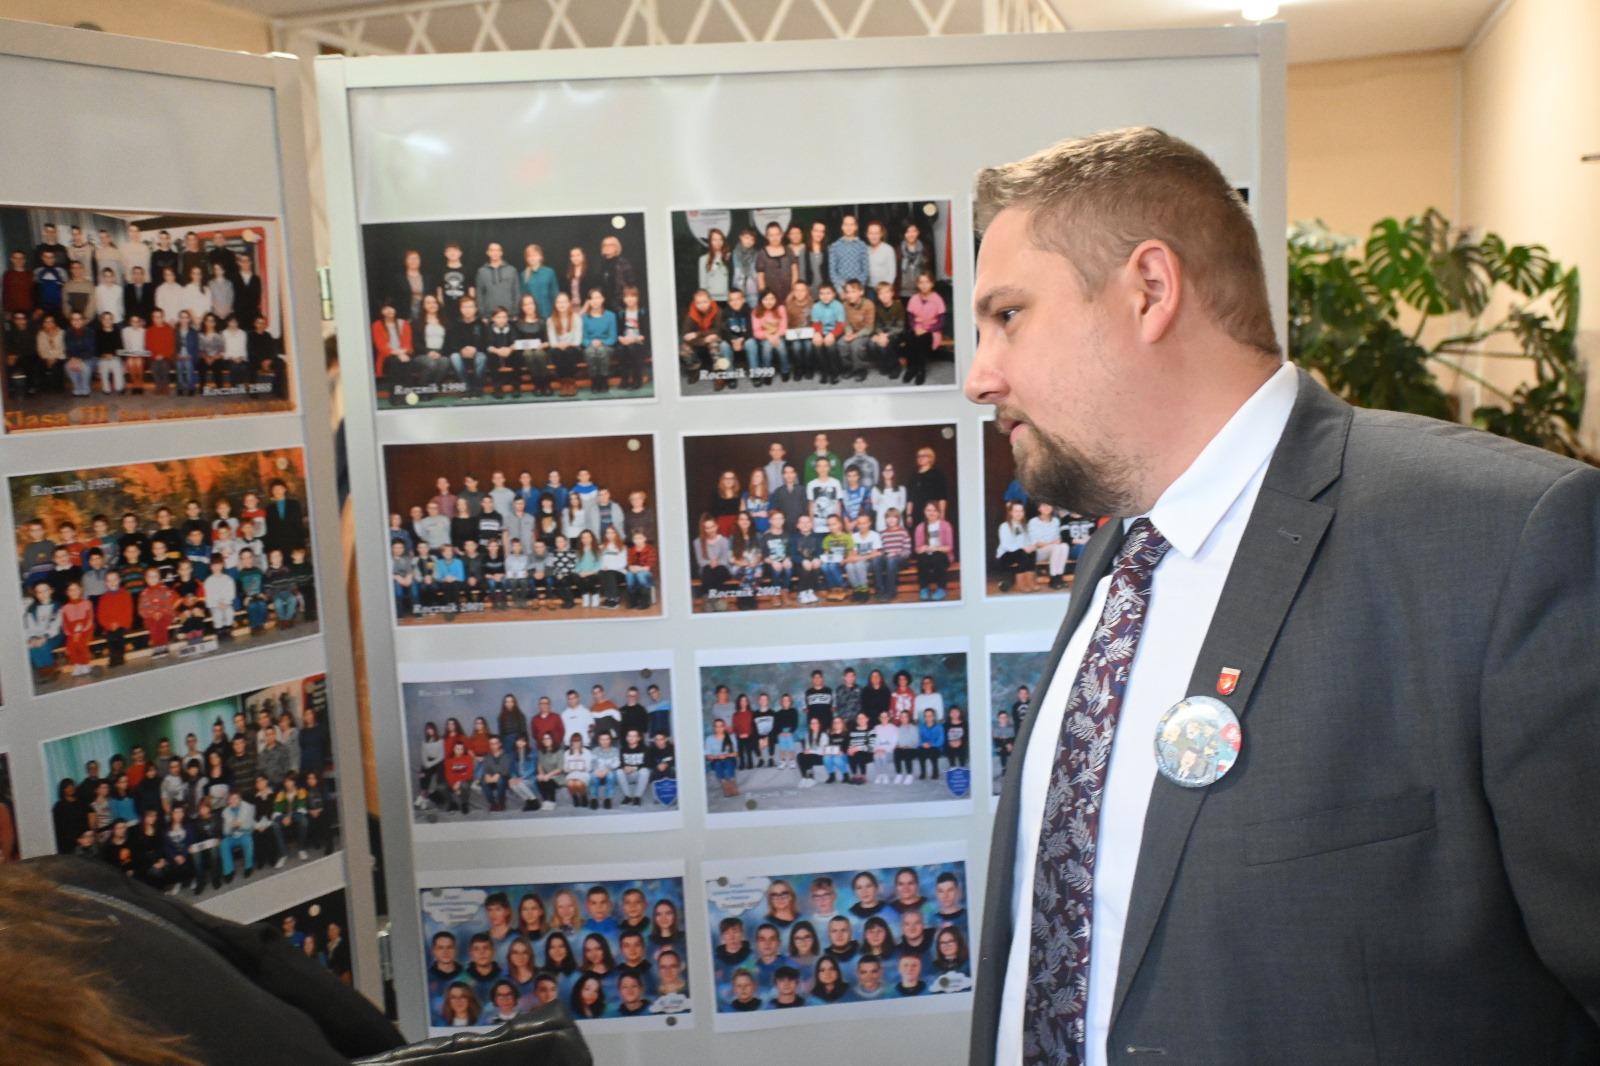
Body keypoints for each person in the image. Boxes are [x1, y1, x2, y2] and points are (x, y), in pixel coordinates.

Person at [969, 127, 1600, 1066]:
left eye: (1008, 315)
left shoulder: (1504, 543)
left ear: (1150, 289)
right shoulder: (1124, 548)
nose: (980, 376)